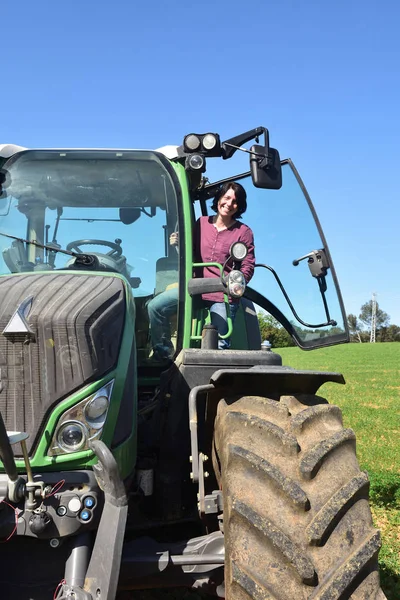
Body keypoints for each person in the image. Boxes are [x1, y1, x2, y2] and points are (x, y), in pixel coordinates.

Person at [194, 181, 255, 349]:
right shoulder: (201, 223)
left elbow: (248, 264)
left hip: (222, 294)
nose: (229, 204)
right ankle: (163, 352)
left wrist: (237, 283)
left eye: (235, 201)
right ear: (219, 198)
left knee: (220, 342)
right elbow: (189, 250)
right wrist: (176, 243)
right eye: (226, 197)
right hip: (195, 288)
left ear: (239, 206)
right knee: (158, 307)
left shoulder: (243, 232)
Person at [147, 232, 179, 360]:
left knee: (155, 307)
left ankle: (163, 352)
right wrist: (177, 245)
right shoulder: (205, 226)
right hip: (182, 283)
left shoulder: (204, 228)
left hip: (193, 283)